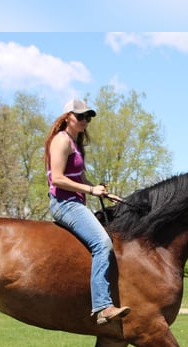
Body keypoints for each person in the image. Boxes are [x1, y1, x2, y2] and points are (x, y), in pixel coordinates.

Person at [45, 98, 130, 325]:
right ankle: (103, 306)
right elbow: (58, 179)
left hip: (77, 202)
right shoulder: (61, 141)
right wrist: (91, 190)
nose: (85, 120)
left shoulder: (75, 144)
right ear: (67, 118)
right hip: (64, 203)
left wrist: (103, 192)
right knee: (102, 244)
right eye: (80, 116)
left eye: (88, 116)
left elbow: (80, 178)